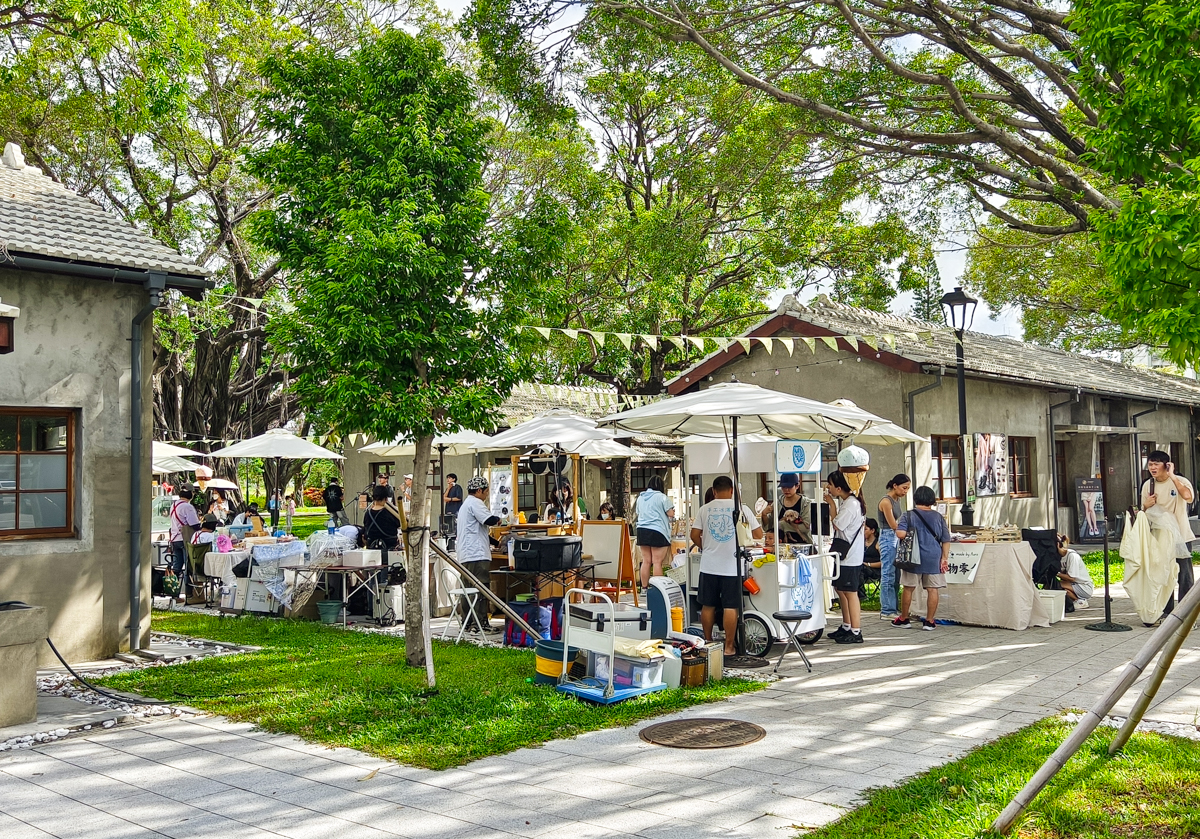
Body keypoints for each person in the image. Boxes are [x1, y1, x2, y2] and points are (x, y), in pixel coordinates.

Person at [691, 476, 762, 656]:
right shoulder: (742, 508)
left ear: (714, 491)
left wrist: (704, 545)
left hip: (709, 564)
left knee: (708, 605)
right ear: (732, 490)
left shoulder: (704, 509)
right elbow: (759, 533)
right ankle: (729, 647)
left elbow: (694, 534)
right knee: (731, 606)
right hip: (732, 565)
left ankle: (708, 644)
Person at [1140, 450, 1195, 616]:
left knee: (1184, 576)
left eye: (1156, 464)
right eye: (1150, 464)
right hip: (1160, 538)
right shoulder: (1148, 485)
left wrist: (1172, 476)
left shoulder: (1180, 481)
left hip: (1182, 536)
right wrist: (1146, 505)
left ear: (1166, 465)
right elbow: (1142, 513)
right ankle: (1166, 610)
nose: (1152, 467)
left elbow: (1188, 497)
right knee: (1163, 574)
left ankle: (1185, 613)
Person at [892, 486, 953, 630]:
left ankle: (904, 618)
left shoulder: (908, 515)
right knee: (932, 589)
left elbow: (900, 534)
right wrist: (944, 558)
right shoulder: (938, 517)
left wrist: (911, 535)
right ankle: (930, 621)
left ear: (916, 498)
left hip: (912, 556)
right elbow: (946, 539)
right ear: (931, 500)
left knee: (908, 588)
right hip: (933, 556)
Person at [825, 471, 866, 644]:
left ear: (839, 488)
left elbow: (837, 524)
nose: (828, 487)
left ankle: (856, 631)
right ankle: (847, 625)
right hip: (845, 554)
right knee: (841, 590)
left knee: (850, 592)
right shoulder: (849, 502)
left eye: (830, 485)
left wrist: (831, 506)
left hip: (850, 556)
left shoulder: (851, 504)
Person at [457, 476, 502, 628]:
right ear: (478, 491)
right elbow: (489, 520)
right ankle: (480, 623)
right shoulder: (476, 502)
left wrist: (495, 542)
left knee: (468, 590)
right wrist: (500, 519)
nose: (487, 494)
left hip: (465, 553)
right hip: (476, 554)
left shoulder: (465, 505)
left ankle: (468, 622)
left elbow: (476, 530)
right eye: (486, 491)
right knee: (481, 588)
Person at [876, 473, 911, 620]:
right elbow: (893, 524)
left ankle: (893, 607)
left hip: (896, 537)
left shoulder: (897, 500)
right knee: (888, 573)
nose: (905, 491)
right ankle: (886, 609)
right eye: (904, 488)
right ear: (895, 486)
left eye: (908, 488)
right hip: (888, 536)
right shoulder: (886, 501)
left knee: (896, 574)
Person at [636, 476, 676, 589]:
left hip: (642, 530)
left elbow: (638, 512)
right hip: (658, 531)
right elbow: (670, 513)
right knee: (657, 562)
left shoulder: (640, 498)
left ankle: (644, 588)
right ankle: (658, 589)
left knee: (646, 561)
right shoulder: (662, 497)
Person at [168, 487, 202, 605]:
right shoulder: (187, 507)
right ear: (190, 495)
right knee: (188, 566)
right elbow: (195, 524)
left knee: (176, 567)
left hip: (174, 539)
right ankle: (189, 594)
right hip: (185, 539)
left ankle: (173, 593)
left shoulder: (174, 505)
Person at [362, 485, 402, 563]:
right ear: (386, 498)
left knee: (374, 573)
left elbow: (365, 529)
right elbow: (399, 524)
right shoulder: (390, 513)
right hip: (389, 548)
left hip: (372, 549)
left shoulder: (368, 513)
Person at [1056, 534, 1093, 609]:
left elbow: (1071, 578)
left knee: (1056, 584)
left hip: (1084, 586)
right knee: (1057, 587)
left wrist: (1056, 573)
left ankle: (1080, 601)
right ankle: (1075, 600)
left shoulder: (1072, 556)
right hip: (1073, 585)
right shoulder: (1058, 558)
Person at [776, 473, 812, 544]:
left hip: (802, 544)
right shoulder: (778, 502)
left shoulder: (805, 503)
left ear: (797, 486)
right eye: (783, 487)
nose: (786, 490)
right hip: (782, 545)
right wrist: (764, 514)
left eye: (789, 487)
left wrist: (782, 525)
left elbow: (806, 528)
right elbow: (771, 526)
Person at [859, 518, 881, 600]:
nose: (863, 532)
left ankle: (861, 595)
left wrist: (868, 564)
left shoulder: (878, 544)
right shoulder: (861, 542)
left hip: (874, 569)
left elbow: (883, 562)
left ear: (872, 530)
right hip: (862, 567)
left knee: (860, 568)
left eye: (865, 529)